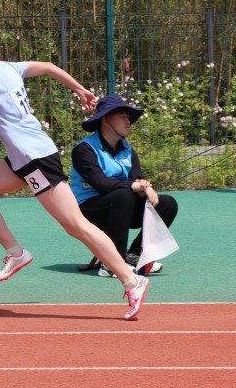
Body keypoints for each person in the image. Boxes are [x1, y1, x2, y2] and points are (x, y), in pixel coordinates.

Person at [0, 19, 149, 320]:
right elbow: (47, 66)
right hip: (22, 159)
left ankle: (131, 280)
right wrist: (80, 90)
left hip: (35, 160)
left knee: (76, 225)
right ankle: (16, 253)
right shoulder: (7, 67)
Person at [69, 94, 178, 277]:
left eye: (128, 117)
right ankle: (112, 263)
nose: (128, 121)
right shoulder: (84, 150)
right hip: (87, 210)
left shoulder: (127, 149)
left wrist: (144, 188)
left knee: (167, 204)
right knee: (124, 195)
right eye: (122, 117)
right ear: (105, 120)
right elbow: (101, 184)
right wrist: (135, 187)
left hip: (121, 206)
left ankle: (135, 255)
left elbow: (135, 180)